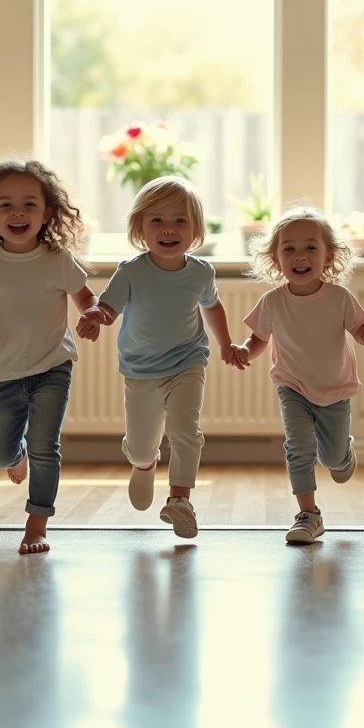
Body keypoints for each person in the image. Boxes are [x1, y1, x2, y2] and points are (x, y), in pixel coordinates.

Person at [0, 159, 100, 554]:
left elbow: (86, 299)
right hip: (6, 374)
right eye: (7, 205)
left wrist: (92, 316)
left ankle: (37, 525)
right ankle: (16, 456)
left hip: (53, 366)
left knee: (46, 446)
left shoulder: (57, 259)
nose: (18, 212)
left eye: (30, 204)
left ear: (47, 213)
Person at [77, 176, 243, 539]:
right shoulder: (131, 271)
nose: (169, 229)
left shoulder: (201, 272)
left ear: (196, 228)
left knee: (186, 431)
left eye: (180, 221)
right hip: (140, 369)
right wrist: (96, 318)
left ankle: (180, 499)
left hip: (188, 360)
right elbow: (108, 307)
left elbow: (212, 307)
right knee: (141, 442)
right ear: (140, 227)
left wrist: (227, 344)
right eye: (157, 220)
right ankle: (144, 462)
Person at [233, 208, 364, 544]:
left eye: (310, 248)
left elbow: (358, 326)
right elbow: (258, 340)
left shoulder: (339, 297)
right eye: (289, 249)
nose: (300, 256)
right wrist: (244, 350)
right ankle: (308, 515)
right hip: (292, 384)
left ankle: (343, 454)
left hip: (335, 388)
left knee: (332, 458)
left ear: (328, 257)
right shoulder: (271, 302)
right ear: (275, 259)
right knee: (298, 448)